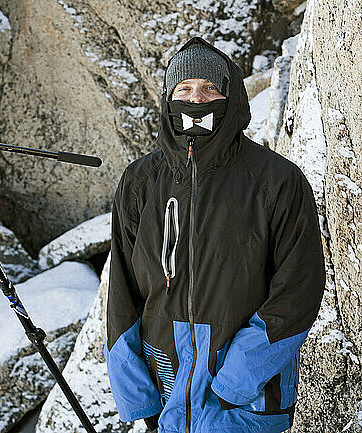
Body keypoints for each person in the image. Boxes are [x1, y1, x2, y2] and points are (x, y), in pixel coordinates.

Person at [104, 36, 325, 433]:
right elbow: (122, 291)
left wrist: (233, 384)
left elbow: (298, 290)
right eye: (184, 89)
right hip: (167, 387)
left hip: (247, 399)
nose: (197, 99)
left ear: (231, 98)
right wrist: (138, 397)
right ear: (169, 98)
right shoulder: (141, 182)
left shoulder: (276, 180)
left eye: (210, 88)